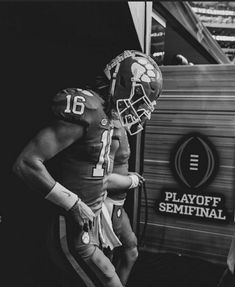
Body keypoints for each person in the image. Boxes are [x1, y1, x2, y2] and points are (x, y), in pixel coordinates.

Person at [12, 50, 162, 287]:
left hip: (89, 229)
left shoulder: (107, 117)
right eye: (139, 98)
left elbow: (97, 176)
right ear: (122, 84)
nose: (140, 109)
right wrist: (74, 204)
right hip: (71, 231)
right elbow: (26, 164)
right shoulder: (89, 108)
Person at [102, 52, 163, 286]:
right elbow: (100, 179)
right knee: (104, 263)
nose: (142, 111)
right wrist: (132, 181)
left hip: (117, 205)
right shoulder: (108, 126)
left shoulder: (119, 123)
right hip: (103, 206)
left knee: (131, 251)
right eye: (140, 101)